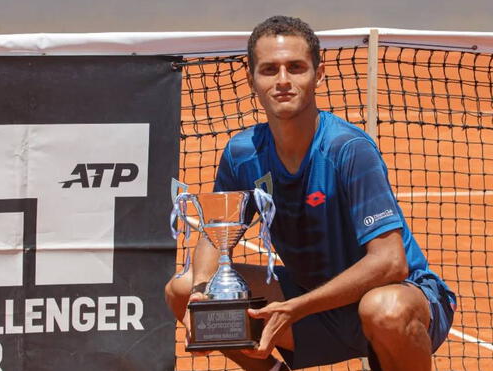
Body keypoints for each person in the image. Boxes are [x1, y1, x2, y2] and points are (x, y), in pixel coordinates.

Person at [164, 15, 456, 371]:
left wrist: (295, 309)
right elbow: (215, 235)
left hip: (396, 298)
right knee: (181, 289)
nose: (283, 80)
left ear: (318, 75)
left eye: (296, 68)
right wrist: (201, 294)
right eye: (270, 69)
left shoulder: (348, 149)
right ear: (251, 78)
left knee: (385, 309)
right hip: (309, 296)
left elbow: (391, 262)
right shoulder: (242, 153)